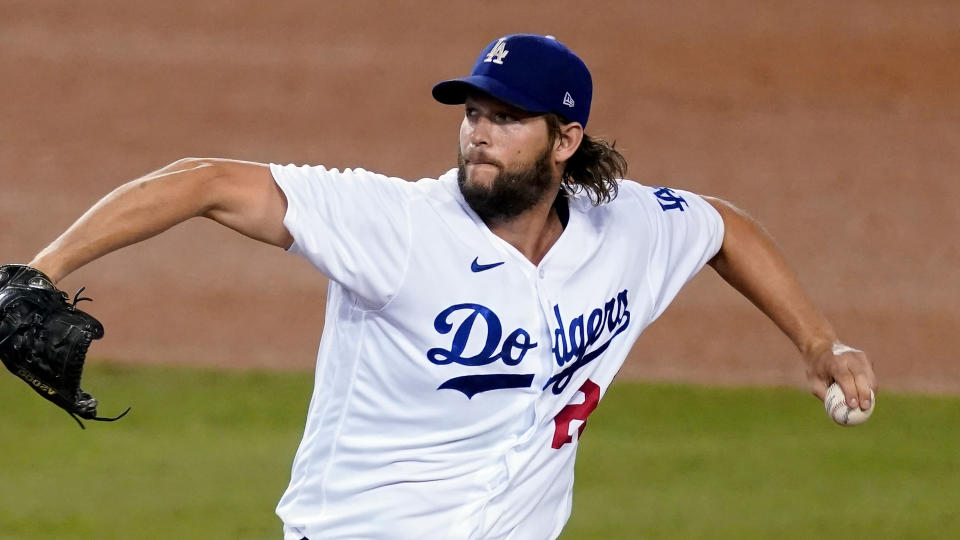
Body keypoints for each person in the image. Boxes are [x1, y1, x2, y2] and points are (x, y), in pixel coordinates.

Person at [24, 34, 876, 539]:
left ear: (565, 139)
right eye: (472, 113)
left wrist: (817, 342)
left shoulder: (626, 229)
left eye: (506, 119)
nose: (477, 135)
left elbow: (722, 227)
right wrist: (41, 272)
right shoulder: (396, 225)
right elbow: (204, 181)